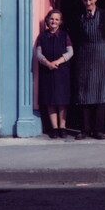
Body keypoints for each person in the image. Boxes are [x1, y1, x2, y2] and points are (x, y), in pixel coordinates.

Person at [72, 0, 105, 140]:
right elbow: (74, 38)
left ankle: (98, 130)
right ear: (81, 0)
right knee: (83, 94)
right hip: (83, 57)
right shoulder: (78, 16)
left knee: (100, 92)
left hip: (102, 56)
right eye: (85, 0)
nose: (88, 3)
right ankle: (84, 130)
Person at [35, 9, 73, 139]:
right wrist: (47, 63)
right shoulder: (42, 36)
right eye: (52, 19)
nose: (54, 21)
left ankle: (62, 127)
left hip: (61, 71)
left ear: (60, 22)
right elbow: (38, 54)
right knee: (50, 100)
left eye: (57, 19)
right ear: (47, 21)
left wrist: (57, 62)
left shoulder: (64, 35)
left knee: (62, 100)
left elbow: (70, 52)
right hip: (48, 71)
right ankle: (54, 128)